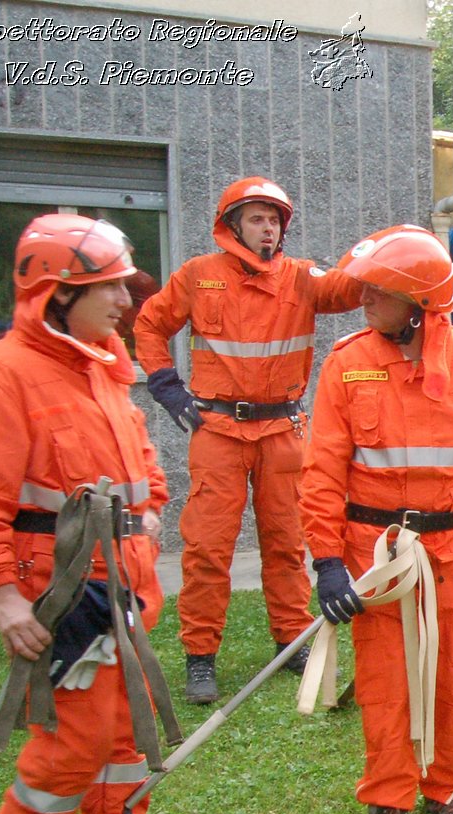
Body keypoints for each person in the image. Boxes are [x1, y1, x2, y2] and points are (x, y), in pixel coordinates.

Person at [0, 214, 199, 814]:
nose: (127, 302)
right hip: (57, 590)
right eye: (110, 287)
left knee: (126, 730)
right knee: (77, 734)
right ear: (57, 293)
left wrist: (148, 508)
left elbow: (141, 461)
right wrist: (2, 598)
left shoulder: (102, 367)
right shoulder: (1, 380)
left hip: (122, 582)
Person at [299, 225, 453, 814]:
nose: (366, 296)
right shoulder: (347, 362)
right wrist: (327, 561)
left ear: (421, 301)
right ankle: (389, 813)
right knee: (388, 685)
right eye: (367, 286)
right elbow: (321, 471)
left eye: (382, 289)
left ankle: (442, 786)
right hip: (378, 555)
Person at [134, 176, 364, 705]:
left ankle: (290, 642)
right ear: (232, 223)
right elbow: (149, 324)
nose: (267, 228)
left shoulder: (303, 277)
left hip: (282, 430)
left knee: (286, 546)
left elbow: (352, 288)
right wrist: (167, 388)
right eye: (257, 218)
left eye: (275, 220)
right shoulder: (199, 275)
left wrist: (382, 255)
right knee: (207, 549)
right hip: (216, 431)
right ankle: (200, 658)